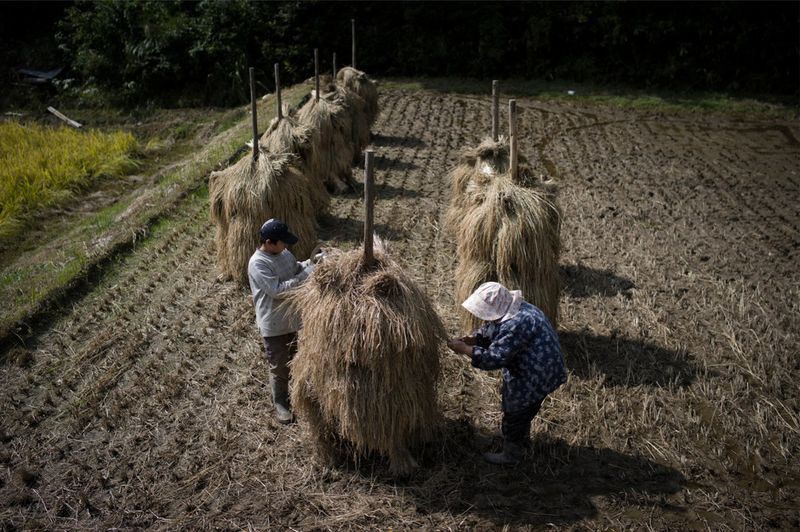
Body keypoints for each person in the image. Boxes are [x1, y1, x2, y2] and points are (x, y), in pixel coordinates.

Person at [446, 282, 567, 465]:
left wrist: (464, 349)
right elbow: (493, 329)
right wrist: (474, 339)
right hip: (544, 368)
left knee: (516, 414)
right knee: (524, 412)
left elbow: (493, 358)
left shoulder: (515, 324)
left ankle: (512, 454)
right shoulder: (520, 308)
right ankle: (520, 438)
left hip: (535, 375)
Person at [248, 218, 318, 424]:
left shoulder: (284, 253)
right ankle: (280, 403)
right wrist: (307, 275)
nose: (286, 245)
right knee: (279, 365)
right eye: (282, 241)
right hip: (274, 324)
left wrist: (312, 263)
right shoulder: (258, 263)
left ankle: (299, 395)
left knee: (296, 358)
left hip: (292, 318)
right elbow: (278, 291)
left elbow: (295, 269)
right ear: (269, 243)